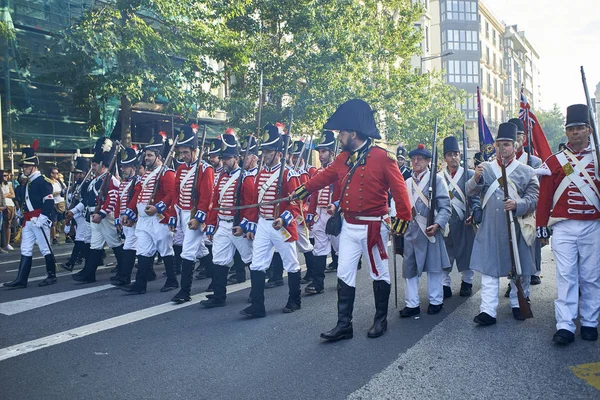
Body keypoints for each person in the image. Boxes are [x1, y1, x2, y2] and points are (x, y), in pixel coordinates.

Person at [293, 99, 412, 340]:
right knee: (344, 273)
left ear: (354, 133)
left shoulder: (383, 157)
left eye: (342, 132)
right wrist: (302, 190)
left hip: (374, 226)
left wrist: (403, 217)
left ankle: (380, 321)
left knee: (379, 273)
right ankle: (344, 325)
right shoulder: (342, 159)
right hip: (349, 225)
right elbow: (324, 177)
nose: (339, 137)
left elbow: (400, 192)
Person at [537, 104, 600, 345]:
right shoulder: (556, 161)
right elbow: (545, 196)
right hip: (563, 226)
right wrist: (542, 225)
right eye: (571, 129)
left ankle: (590, 322)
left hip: (593, 225)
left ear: (589, 130)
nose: (575, 133)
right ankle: (564, 325)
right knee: (566, 276)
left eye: (580, 128)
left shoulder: (598, 158)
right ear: (566, 133)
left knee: (591, 277)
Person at [466, 122, 539, 325]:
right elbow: (470, 191)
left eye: (507, 144)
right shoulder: (486, 169)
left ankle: (518, 303)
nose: (502, 148)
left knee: (520, 269)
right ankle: (488, 311)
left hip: (516, 229)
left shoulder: (526, 172)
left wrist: (518, 204)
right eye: (499, 144)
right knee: (489, 273)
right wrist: (476, 178)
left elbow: (534, 199)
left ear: (515, 146)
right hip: (491, 229)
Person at [239, 124, 302, 318]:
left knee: (291, 263)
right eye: (264, 151)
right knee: (257, 264)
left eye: (268, 151)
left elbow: (296, 203)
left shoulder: (288, 174)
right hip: (263, 224)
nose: (264, 155)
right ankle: (258, 305)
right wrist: (249, 224)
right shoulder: (259, 174)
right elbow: (253, 203)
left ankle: (294, 300)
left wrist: (283, 220)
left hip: (280, 224)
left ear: (278, 153)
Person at [201, 132, 253, 308]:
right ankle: (218, 295)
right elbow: (216, 203)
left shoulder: (245, 178)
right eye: (223, 158)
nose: (224, 162)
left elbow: (250, 205)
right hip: (222, 224)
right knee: (219, 259)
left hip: (237, 225)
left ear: (236, 158)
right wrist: (210, 225)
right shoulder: (222, 177)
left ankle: (255, 293)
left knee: (250, 259)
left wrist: (245, 226)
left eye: (228, 158)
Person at [399, 143, 451, 318]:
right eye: (413, 158)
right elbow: (399, 207)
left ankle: (436, 301)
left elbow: (445, 207)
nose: (415, 161)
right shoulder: (406, 182)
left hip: (430, 231)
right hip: (411, 232)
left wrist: (437, 224)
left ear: (428, 161)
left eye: (419, 158)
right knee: (409, 269)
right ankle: (411, 303)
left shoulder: (436, 180)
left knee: (434, 268)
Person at [121, 132, 177, 294]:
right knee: (143, 251)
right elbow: (137, 195)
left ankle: (172, 280)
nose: (146, 158)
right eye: (146, 155)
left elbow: (171, 194)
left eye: (150, 155)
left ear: (158, 156)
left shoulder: (166, 173)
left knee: (165, 249)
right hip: (144, 220)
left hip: (158, 219)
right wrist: (129, 212)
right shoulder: (146, 175)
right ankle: (140, 284)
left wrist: (157, 208)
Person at [169, 125, 214, 303]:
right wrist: (174, 215)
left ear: (195, 151)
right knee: (201, 250)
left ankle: (184, 291)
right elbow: (176, 194)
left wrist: (198, 218)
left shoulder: (205, 169)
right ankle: (217, 278)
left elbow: (207, 196)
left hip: (195, 215)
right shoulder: (180, 170)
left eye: (186, 152)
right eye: (181, 153)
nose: (183, 156)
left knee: (187, 251)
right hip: (182, 214)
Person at [3, 140, 57, 288]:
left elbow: (49, 202)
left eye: (26, 166)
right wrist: (22, 213)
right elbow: (27, 200)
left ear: (34, 166)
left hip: (39, 219)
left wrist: (43, 218)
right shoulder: (29, 182)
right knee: (25, 248)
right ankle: (21, 279)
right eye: (23, 166)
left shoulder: (42, 181)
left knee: (45, 248)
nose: (24, 169)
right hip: (28, 221)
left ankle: (52, 275)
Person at [72, 137, 124, 283]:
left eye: (94, 164)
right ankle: (89, 273)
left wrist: (101, 214)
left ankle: (123, 270)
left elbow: (112, 200)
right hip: (95, 216)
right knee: (95, 245)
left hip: (104, 216)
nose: (92, 167)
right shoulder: (96, 180)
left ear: (102, 164)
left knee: (114, 243)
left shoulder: (111, 179)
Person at [439, 136, 481, 298]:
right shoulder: (439, 177)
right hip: (446, 221)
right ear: (445, 158)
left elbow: (475, 198)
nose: (453, 157)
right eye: (449, 154)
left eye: (456, 153)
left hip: (465, 220)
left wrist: (473, 213)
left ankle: (467, 282)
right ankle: (444, 283)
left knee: (466, 253)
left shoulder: (469, 174)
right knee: (445, 254)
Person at [305, 130, 340, 295]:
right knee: (319, 248)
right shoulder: (318, 173)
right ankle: (317, 283)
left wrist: (337, 207)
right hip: (320, 213)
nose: (321, 155)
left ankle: (343, 281)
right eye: (320, 151)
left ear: (332, 152)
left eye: (324, 151)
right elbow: (313, 194)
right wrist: (310, 214)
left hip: (335, 214)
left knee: (340, 249)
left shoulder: (340, 171)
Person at [110, 147, 139, 286]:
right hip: (124, 220)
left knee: (129, 247)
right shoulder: (123, 183)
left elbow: (135, 202)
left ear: (133, 167)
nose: (123, 170)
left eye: (125, 167)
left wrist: (129, 216)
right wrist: (117, 218)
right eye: (122, 167)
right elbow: (118, 202)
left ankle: (124, 277)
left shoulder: (138, 182)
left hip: (133, 220)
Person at [61, 157, 92, 272]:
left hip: (84, 214)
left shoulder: (86, 184)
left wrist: (73, 211)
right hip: (77, 215)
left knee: (81, 238)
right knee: (81, 239)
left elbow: (85, 201)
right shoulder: (77, 185)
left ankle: (72, 262)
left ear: (84, 173)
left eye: (78, 173)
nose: (76, 176)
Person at [1, 169, 16, 251]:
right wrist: (8, 194)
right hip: (2, 205)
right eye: (4, 175)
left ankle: (7, 243)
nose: (6, 177)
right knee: (2, 225)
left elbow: (13, 195)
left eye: (7, 175)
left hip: (10, 205)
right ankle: (3, 243)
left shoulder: (9, 184)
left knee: (8, 224)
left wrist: (5, 195)